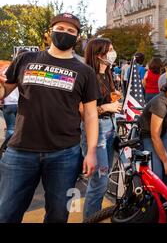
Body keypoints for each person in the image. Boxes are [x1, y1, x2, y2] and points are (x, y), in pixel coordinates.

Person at [0, 13, 98, 223]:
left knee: (58, 216)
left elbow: (90, 115)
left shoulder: (85, 71)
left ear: (78, 37)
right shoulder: (26, 59)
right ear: (50, 32)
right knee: (6, 214)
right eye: (60, 28)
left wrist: (90, 152)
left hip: (65, 154)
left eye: (71, 31)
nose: (65, 33)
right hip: (20, 151)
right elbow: (4, 92)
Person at [80, 37, 122, 221]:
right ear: (99, 54)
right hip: (96, 129)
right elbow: (83, 110)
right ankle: (91, 219)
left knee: (102, 181)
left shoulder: (108, 73)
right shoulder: (87, 74)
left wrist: (113, 100)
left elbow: (103, 98)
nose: (113, 53)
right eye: (109, 49)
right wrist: (106, 108)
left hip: (110, 127)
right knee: (99, 182)